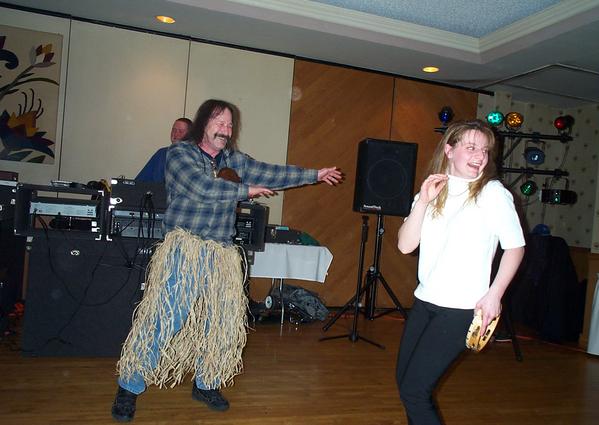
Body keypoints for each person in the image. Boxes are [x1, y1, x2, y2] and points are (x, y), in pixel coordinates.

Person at [111, 99, 342, 422]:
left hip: (221, 253)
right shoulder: (179, 154)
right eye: (220, 122)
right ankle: (129, 385)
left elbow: (269, 172)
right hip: (185, 250)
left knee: (220, 322)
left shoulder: (233, 159)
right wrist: (246, 191)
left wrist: (314, 174)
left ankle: (207, 383)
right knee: (166, 318)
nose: (226, 129)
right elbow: (202, 188)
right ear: (203, 123)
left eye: (230, 125)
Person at [395, 119, 525, 425]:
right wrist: (423, 201)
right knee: (406, 383)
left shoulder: (492, 193)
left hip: (462, 309)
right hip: (425, 302)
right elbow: (405, 245)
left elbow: (515, 247)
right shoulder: (433, 191)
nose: (480, 155)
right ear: (449, 150)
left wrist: (494, 295)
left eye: (485, 150)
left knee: (414, 392)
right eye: (471, 147)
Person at [135, 117, 192, 182]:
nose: (176, 134)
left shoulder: (193, 157)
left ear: (189, 135)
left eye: (181, 131)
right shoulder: (161, 153)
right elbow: (140, 181)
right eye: (174, 130)